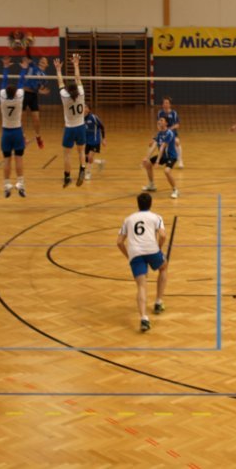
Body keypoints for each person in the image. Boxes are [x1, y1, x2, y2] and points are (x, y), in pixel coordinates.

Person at [116, 192, 168, 332]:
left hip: (135, 253)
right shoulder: (156, 217)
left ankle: (144, 318)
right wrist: (159, 248)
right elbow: (163, 235)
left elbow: (119, 242)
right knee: (163, 267)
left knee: (141, 285)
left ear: (138, 204)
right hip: (152, 250)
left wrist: (129, 256)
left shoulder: (128, 219)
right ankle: (158, 302)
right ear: (151, 204)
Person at [54, 53, 87, 187]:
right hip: (81, 127)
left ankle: (67, 177)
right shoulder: (81, 94)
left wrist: (58, 69)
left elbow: (60, 82)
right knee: (81, 151)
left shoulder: (64, 96)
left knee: (67, 154)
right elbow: (78, 78)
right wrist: (76, 65)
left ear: (68, 90)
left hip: (70, 128)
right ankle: (82, 170)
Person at [0, 56, 29, 197]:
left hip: (6, 132)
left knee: (7, 160)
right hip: (17, 132)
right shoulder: (19, 98)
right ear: (16, 92)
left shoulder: (2, 97)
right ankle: (21, 185)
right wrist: (23, 69)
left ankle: (7, 186)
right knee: (19, 159)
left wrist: (6, 68)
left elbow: (4, 82)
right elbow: (21, 82)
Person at [142, 116, 179, 198]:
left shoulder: (169, 133)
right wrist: (146, 157)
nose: (159, 121)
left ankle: (175, 190)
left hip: (171, 156)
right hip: (163, 156)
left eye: (162, 120)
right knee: (147, 163)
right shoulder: (159, 134)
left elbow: (162, 147)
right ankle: (151, 185)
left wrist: (157, 161)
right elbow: (154, 146)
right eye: (159, 120)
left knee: (167, 171)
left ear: (166, 123)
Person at [22, 47, 50, 149]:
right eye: (42, 60)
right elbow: (28, 55)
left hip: (33, 96)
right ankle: (23, 137)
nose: (43, 61)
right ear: (39, 62)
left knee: (36, 119)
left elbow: (40, 88)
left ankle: (38, 136)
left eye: (45, 61)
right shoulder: (33, 66)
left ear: (47, 65)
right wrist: (28, 46)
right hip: (25, 93)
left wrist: (41, 91)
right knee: (21, 118)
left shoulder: (45, 76)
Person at [157, 97, 184, 169]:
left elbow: (177, 125)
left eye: (167, 103)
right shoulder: (160, 113)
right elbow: (158, 123)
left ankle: (180, 160)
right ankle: (150, 160)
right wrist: (160, 130)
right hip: (162, 132)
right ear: (162, 104)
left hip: (172, 132)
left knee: (177, 142)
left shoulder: (174, 113)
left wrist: (168, 130)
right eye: (164, 103)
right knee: (153, 143)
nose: (165, 104)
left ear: (170, 104)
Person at [83, 105, 106, 180]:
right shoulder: (80, 119)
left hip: (95, 141)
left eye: (85, 107)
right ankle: (100, 162)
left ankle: (88, 173)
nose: (84, 108)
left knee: (90, 157)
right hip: (87, 141)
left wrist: (103, 139)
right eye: (83, 107)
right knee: (86, 158)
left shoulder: (93, 117)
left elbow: (102, 126)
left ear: (89, 110)